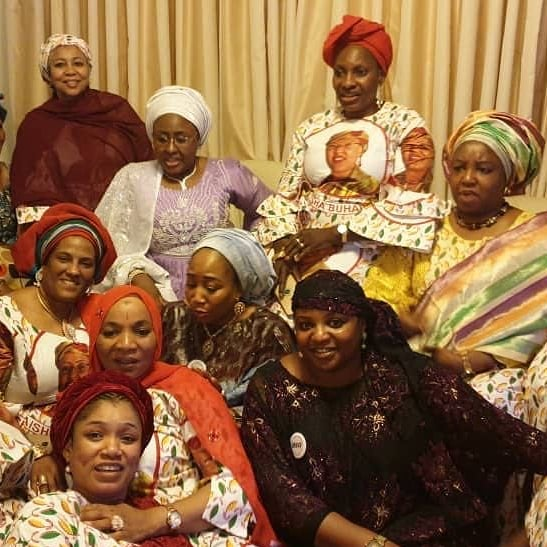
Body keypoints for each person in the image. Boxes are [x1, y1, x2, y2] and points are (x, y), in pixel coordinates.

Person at [241, 270, 547, 547]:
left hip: (429, 536)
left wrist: (526, 534)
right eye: (306, 325)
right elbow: (284, 495)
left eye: (335, 323)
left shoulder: (405, 375)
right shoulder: (270, 389)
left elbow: (500, 433)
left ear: (362, 326)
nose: (319, 336)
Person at [253, 15, 444, 317]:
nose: (347, 83)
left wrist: (337, 233)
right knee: (267, 310)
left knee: (337, 310)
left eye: (360, 72)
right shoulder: (312, 127)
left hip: (372, 248)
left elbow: (409, 203)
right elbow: (287, 196)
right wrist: (284, 243)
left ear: (380, 75)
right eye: (340, 73)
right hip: (305, 245)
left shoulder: (406, 125)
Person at [365, 110, 547, 413]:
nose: (467, 179)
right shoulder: (424, 227)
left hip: (501, 376)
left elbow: (537, 317)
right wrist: (398, 320)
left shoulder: (536, 236)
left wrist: (481, 359)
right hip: (419, 362)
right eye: (459, 168)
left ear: (509, 176)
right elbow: (379, 294)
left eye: (484, 169)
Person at [79, 285, 277, 546]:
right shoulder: (80, 399)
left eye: (141, 331)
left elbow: (234, 491)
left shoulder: (187, 390)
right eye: (111, 332)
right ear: (95, 337)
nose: (126, 344)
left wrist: (151, 520)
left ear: (158, 336)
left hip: (194, 533)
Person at [96, 85, 272, 302]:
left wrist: (245, 253)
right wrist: (137, 276)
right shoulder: (134, 176)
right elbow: (111, 244)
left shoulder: (226, 172)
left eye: (181, 139)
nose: (170, 148)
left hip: (217, 289)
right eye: (162, 139)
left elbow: (271, 210)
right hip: (156, 290)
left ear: (197, 139)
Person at [0, 202, 116, 504]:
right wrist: (37, 454)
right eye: (63, 258)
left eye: (85, 263)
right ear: (45, 261)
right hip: (15, 446)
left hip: (82, 449)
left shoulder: (97, 314)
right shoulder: (7, 315)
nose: (73, 271)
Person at [10, 34, 153, 228]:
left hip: (122, 224)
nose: (70, 71)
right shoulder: (34, 124)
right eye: (60, 65)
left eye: (78, 63)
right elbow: (26, 194)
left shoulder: (117, 110)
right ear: (47, 74)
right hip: (59, 229)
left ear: (89, 69)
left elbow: (148, 168)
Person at [1, 370, 155, 545]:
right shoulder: (45, 518)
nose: (112, 450)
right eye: (95, 435)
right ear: (68, 449)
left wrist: (158, 520)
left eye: (127, 438)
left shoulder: (160, 518)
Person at [161, 228, 295, 412]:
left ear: (239, 288)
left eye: (211, 287)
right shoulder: (174, 316)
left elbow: (279, 405)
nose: (197, 297)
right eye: (191, 284)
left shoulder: (267, 332)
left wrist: (219, 402)